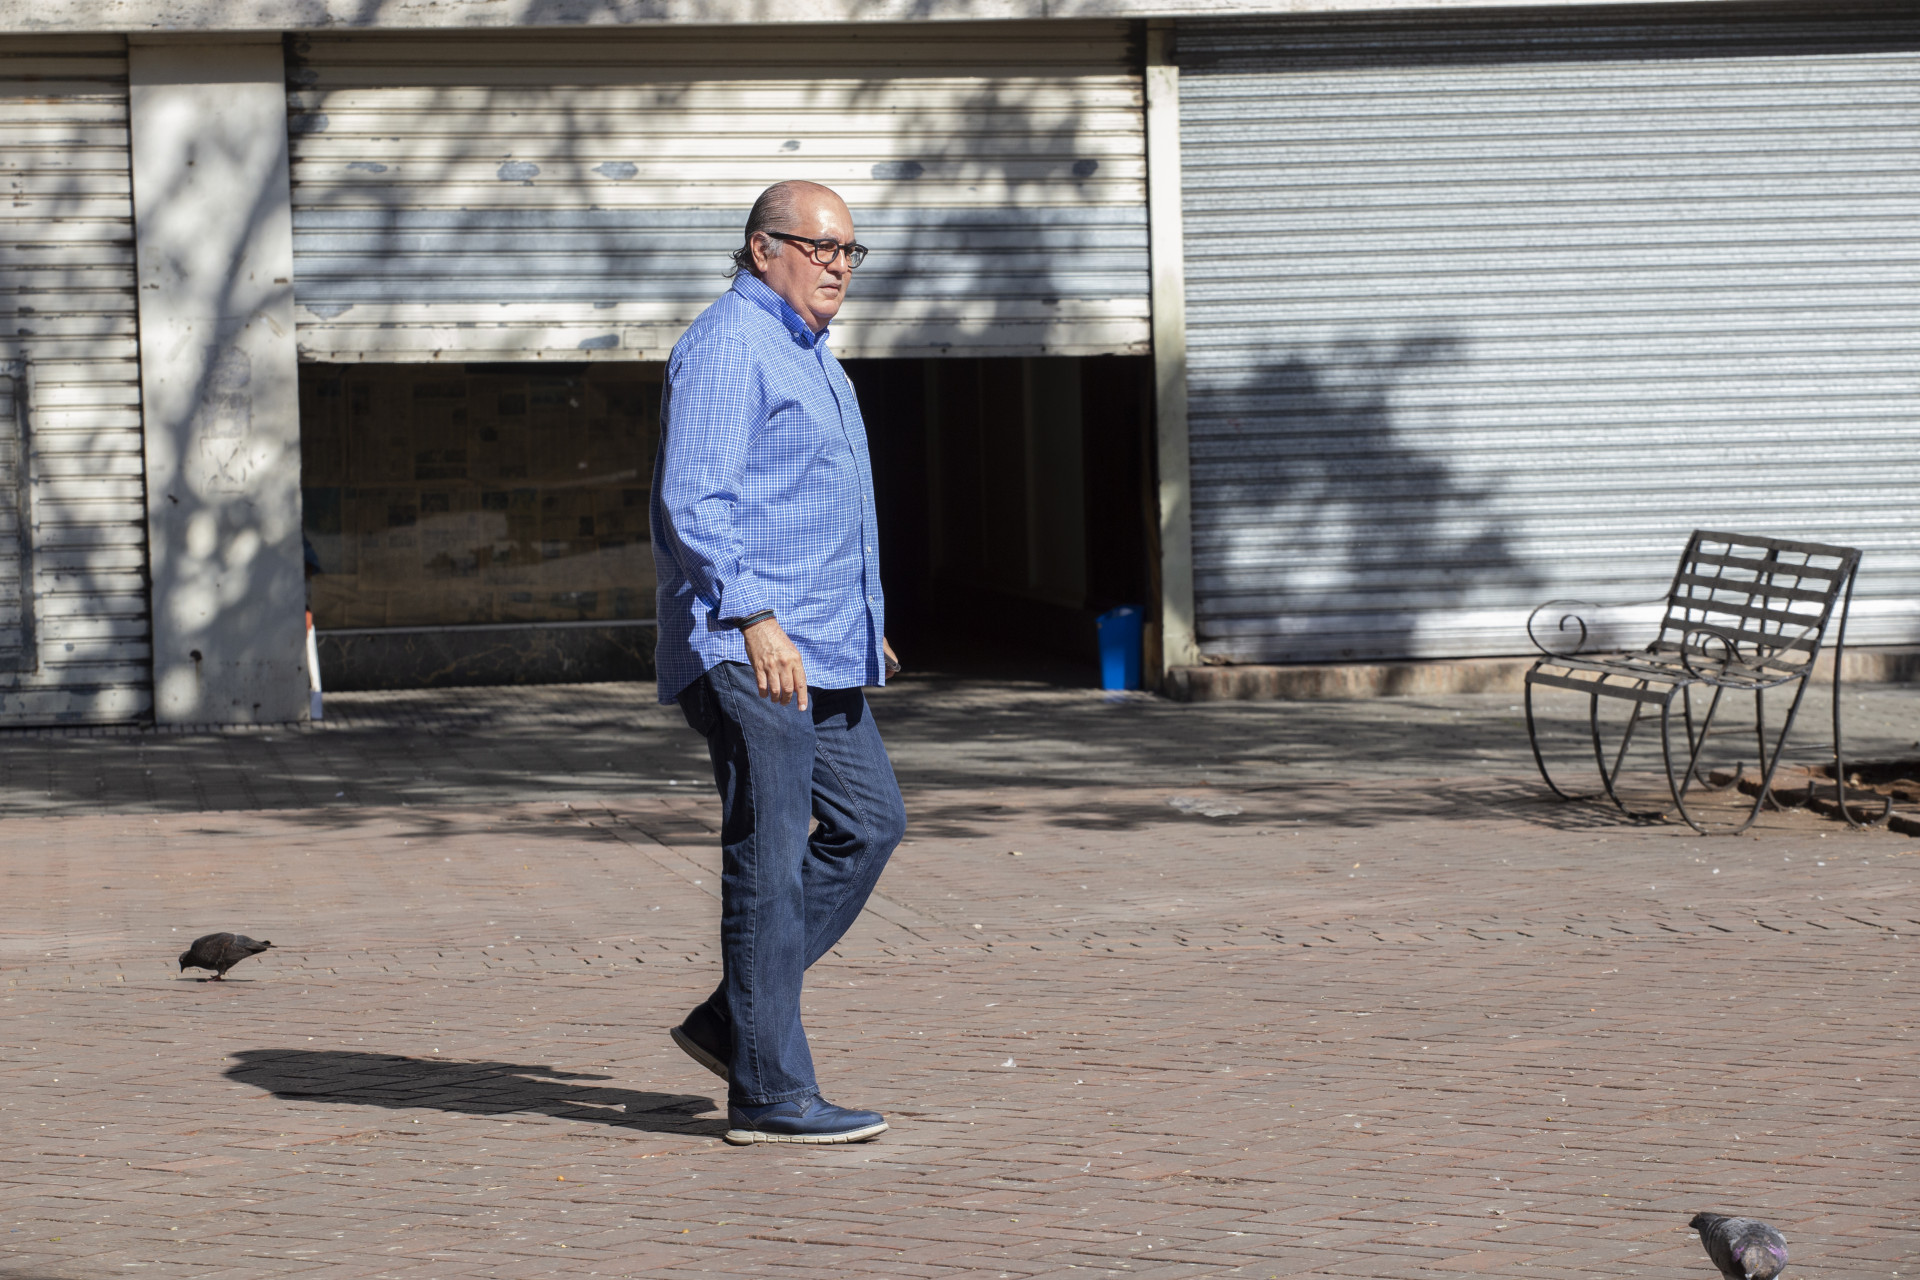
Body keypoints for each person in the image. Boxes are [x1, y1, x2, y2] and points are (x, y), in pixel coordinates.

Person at [650, 179, 906, 1146]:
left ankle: (734, 1021)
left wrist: (860, 619)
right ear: (763, 249)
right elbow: (696, 502)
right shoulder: (729, 345)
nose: (839, 266)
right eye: (820, 246)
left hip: (818, 644)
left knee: (869, 823)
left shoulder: (806, 350)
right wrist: (754, 615)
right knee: (769, 861)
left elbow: (804, 502)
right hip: (749, 647)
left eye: (849, 250)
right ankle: (768, 1090)